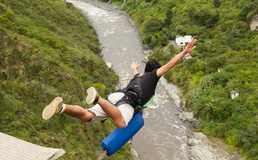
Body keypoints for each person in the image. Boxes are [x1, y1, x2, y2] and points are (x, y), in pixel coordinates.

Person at [42, 39, 197, 129]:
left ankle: (61, 108)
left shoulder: (139, 76)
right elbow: (169, 65)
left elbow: (135, 73)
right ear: (156, 71)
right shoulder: (153, 76)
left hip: (117, 96)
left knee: (88, 116)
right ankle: (97, 99)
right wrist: (183, 53)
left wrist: (133, 68)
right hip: (127, 102)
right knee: (121, 123)